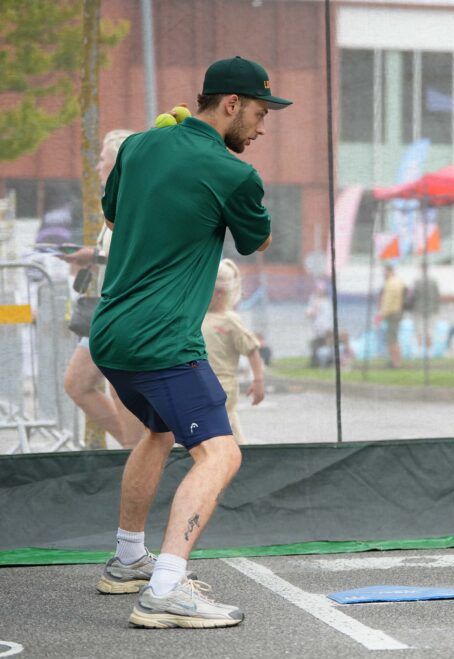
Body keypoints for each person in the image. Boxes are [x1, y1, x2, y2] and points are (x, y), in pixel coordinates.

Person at [89, 56, 290, 628]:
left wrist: (163, 156)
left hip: (111, 333)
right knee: (221, 453)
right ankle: (166, 589)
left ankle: (129, 559)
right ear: (231, 104)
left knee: (158, 432)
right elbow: (258, 240)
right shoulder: (234, 173)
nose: (262, 127)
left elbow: (112, 215)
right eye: (259, 113)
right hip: (163, 341)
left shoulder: (138, 146)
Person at [60, 129, 143, 449]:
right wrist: (91, 258)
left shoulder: (137, 203)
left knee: (120, 390)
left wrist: (93, 257)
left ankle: (140, 459)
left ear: (121, 164)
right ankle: (139, 455)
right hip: (106, 309)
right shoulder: (115, 203)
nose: (96, 167)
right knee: (77, 383)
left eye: (102, 160)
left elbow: (136, 255)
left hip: (126, 309)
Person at [201, 259, 265, 445]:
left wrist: (258, 381)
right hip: (201, 383)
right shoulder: (198, 317)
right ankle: (241, 453)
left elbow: (251, 348)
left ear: (219, 293)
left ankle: (217, 457)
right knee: (229, 427)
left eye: (204, 288)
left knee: (216, 430)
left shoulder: (230, 320)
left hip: (223, 386)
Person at [379, 265, 405, 368]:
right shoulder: (398, 282)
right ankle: (395, 361)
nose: (383, 274)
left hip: (392, 313)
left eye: (385, 272)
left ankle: (396, 362)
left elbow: (388, 302)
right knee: (393, 338)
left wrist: (382, 314)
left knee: (392, 339)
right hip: (396, 312)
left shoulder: (391, 284)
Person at [305, 281, 333, 368]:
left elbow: (329, 315)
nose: (320, 292)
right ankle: (315, 362)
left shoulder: (327, 301)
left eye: (321, 290)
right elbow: (309, 313)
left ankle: (327, 362)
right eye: (318, 290)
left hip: (326, 328)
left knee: (326, 345)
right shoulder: (313, 300)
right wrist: (313, 310)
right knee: (315, 344)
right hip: (316, 328)